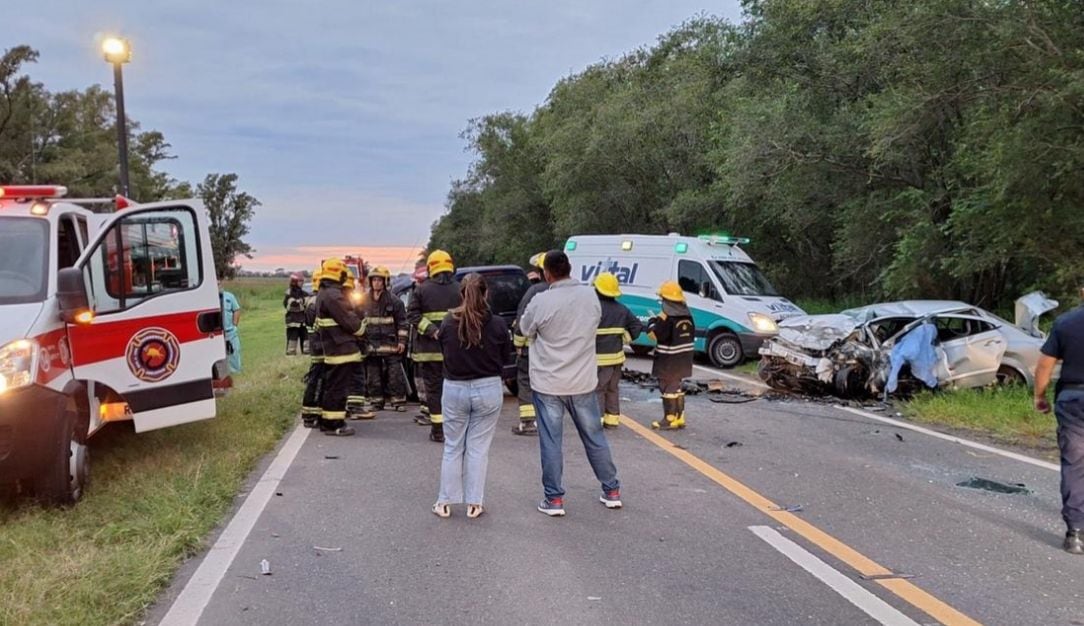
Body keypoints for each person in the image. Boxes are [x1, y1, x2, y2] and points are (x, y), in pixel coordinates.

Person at [520, 250, 621, 517]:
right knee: (595, 437)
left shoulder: (541, 301)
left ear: (546, 273)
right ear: (570, 268)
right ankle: (611, 490)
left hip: (549, 384)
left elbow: (525, 329)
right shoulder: (591, 296)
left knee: (551, 442)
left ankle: (554, 500)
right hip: (583, 382)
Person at [432, 274, 516, 519]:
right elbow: (504, 357)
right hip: (488, 388)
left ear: (461, 294)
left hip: (455, 388)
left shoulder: (448, 322)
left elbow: (445, 354)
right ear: (486, 293)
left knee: (453, 447)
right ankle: (474, 504)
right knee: (478, 449)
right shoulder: (499, 324)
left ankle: (445, 502)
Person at [1035, 287, 1084, 555]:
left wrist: (1039, 396)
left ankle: (1075, 533)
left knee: (1075, 464)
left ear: (1082, 292)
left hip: (1073, 398)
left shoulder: (1065, 322)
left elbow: (1045, 365)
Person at [408, 250, 462, 443]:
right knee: (454, 390)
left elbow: (412, 315)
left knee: (434, 391)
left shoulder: (421, 289)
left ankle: (438, 431)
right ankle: (455, 429)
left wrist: (431, 330)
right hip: (454, 352)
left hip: (429, 352)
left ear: (431, 267)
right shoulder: (460, 288)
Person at [314, 258, 364, 437]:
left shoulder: (324, 293)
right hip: (341, 350)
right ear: (338, 273)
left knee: (332, 386)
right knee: (338, 389)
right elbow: (351, 323)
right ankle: (334, 424)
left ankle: (327, 420)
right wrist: (361, 327)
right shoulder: (333, 295)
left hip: (334, 349)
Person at [594, 272, 643, 429]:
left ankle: (597, 420)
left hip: (599, 359)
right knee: (612, 388)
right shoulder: (622, 309)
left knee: (598, 390)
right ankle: (612, 420)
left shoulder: (594, 309)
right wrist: (624, 337)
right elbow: (637, 326)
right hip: (617, 359)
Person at [359, 266, 409, 414]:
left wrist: (402, 341)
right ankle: (376, 401)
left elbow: (402, 322)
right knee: (373, 375)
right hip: (371, 346)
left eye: (379, 280)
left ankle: (398, 401)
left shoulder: (394, 301)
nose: (376, 283)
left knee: (395, 375)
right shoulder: (363, 301)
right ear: (370, 282)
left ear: (385, 282)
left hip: (390, 345)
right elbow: (357, 320)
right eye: (374, 280)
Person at [647, 281, 695, 430]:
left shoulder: (666, 317)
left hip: (668, 360)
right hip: (684, 359)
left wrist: (651, 322)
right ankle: (680, 417)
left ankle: (669, 419)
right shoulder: (688, 316)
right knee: (676, 386)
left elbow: (655, 335)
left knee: (667, 387)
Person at [511, 252, 548, 435]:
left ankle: (527, 423)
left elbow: (522, 319)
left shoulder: (535, 291)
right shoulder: (565, 292)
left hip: (532, 347)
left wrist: (518, 344)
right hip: (556, 351)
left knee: (525, 381)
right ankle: (548, 421)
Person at [300, 267, 325, 428]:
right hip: (321, 345)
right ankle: (312, 413)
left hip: (316, 345)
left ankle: (311, 413)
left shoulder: (311, 299)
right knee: (318, 379)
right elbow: (321, 326)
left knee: (316, 378)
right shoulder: (317, 302)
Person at [283, 274, 310, 355]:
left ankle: (306, 352)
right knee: (292, 339)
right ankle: (291, 353)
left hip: (303, 321)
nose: (302, 283)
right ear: (294, 282)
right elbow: (292, 306)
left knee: (306, 338)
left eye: (302, 281)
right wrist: (301, 303)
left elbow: (307, 305)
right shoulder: (289, 293)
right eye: (300, 281)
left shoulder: (304, 293)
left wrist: (301, 303)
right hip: (293, 321)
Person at [221, 289, 242, 374]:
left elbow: (236, 310)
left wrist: (234, 324)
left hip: (230, 331)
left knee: (234, 352)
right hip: (216, 333)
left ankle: (236, 372)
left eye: (219, 280)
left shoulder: (229, 296)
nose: (218, 282)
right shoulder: (209, 297)